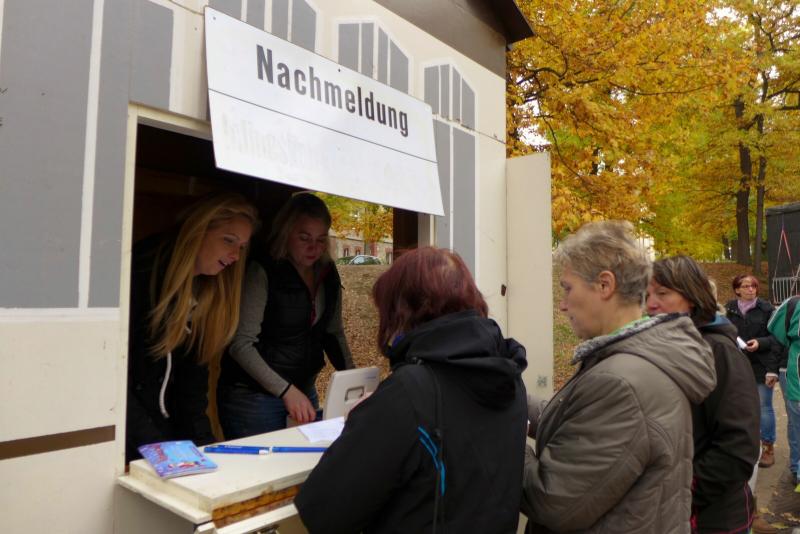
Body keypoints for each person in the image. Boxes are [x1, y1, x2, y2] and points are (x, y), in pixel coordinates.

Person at [294, 247, 528, 533]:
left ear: (402, 312)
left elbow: (323, 511)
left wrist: (366, 420)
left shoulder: (409, 393)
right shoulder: (508, 376)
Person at [521, 221, 716, 533]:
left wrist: (503, 435)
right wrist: (515, 402)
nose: (563, 305)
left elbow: (552, 500)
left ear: (604, 285)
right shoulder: (631, 362)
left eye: (568, 289)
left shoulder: (621, 381)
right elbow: (579, 425)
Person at [126, 193, 258, 462]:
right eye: (228, 240)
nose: (235, 255)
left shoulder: (205, 290)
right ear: (198, 230)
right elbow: (117, 379)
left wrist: (205, 448)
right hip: (124, 436)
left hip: (159, 433)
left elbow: (192, 384)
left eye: (242, 247)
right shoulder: (142, 272)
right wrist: (158, 447)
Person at [218, 192, 353, 438]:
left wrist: (353, 380)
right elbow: (241, 343)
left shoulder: (326, 272)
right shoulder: (263, 270)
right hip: (253, 397)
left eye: (321, 239)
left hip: (303, 390)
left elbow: (333, 332)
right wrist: (286, 391)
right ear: (285, 233)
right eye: (304, 238)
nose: (314, 248)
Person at [647, 256, 759, 534]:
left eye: (662, 293)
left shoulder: (718, 351)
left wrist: (682, 494)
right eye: (646, 295)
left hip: (714, 518)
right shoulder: (665, 348)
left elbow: (738, 448)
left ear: (692, 297)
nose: (650, 304)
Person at [725, 274, 779, 468]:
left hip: (761, 366)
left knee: (764, 407)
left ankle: (768, 448)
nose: (751, 289)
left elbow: (777, 339)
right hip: (738, 366)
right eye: (746, 286)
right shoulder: (729, 309)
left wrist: (760, 344)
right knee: (740, 408)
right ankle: (746, 446)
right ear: (737, 289)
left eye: (753, 286)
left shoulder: (766, 309)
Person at [768, 294, 800, 487]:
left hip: (794, 374)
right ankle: (796, 467)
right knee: (796, 424)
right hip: (794, 377)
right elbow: (777, 339)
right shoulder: (792, 305)